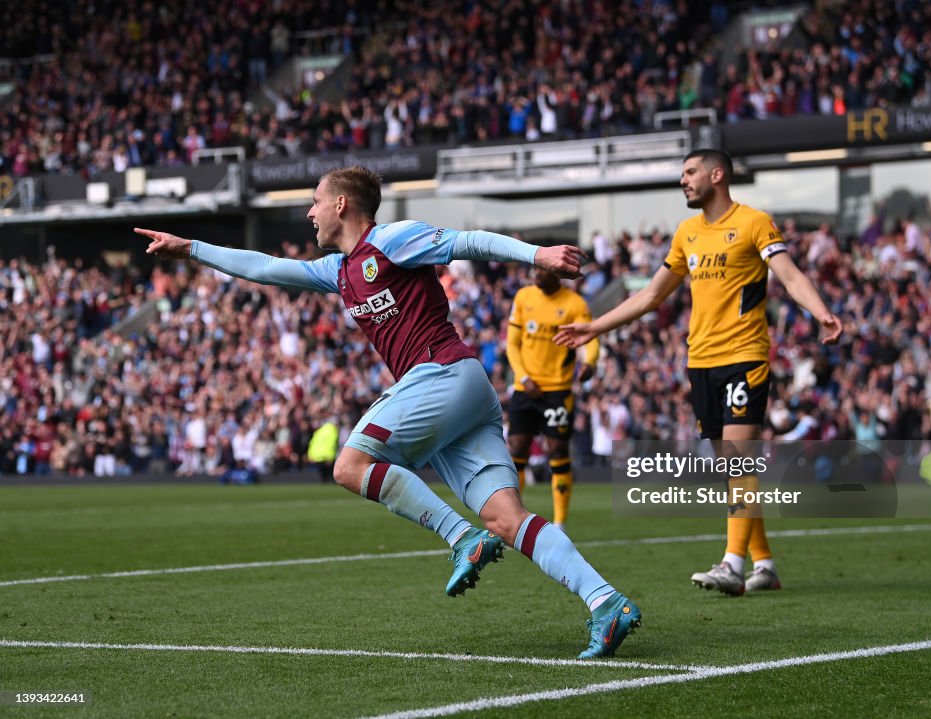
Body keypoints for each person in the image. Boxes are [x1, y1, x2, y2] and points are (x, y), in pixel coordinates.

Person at [135, 165, 640, 658]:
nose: (309, 214)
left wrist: (539, 254)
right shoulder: (338, 270)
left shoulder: (393, 240)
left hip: (441, 373)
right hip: (461, 392)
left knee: (349, 465)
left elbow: (469, 242)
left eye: (314, 201)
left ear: (340, 204)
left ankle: (461, 537)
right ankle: (606, 603)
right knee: (506, 518)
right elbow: (265, 268)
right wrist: (192, 249)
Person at [555, 149, 843, 596]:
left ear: (717, 173)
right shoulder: (687, 234)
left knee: (739, 458)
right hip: (700, 363)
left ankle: (732, 564)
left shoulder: (754, 222)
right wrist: (595, 325)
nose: (683, 181)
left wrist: (822, 313)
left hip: (745, 356)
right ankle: (763, 563)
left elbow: (789, 275)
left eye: (690, 172)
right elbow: (652, 296)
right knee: (732, 464)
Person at [506, 267, 598, 529]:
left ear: (557, 274)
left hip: (557, 390)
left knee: (557, 450)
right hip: (525, 388)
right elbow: (512, 343)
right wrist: (524, 378)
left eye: (542, 270)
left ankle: (560, 523)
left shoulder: (574, 303)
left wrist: (590, 362)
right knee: (517, 449)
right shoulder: (524, 297)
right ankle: (514, 517)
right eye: (534, 268)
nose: (535, 274)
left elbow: (589, 338)